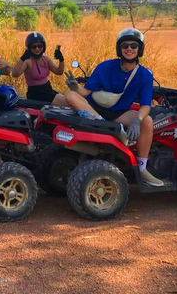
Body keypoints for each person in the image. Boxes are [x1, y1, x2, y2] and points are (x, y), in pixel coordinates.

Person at [64, 28, 164, 187]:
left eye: (133, 45)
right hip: (94, 109)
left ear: (140, 49)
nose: (129, 49)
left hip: (118, 112)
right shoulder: (105, 67)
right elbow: (85, 92)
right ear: (119, 48)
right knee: (69, 95)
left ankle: (142, 168)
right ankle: (109, 128)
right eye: (125, 45)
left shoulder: (145, 74)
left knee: (147, 121)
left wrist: (137, 119)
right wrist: (75, 88)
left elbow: (146, 105)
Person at [11, 31, 67, 106]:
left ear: (44, 47)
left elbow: (59, 72)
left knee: (71, 100)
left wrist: (61, 60)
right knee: (69, 103)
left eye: (40, 46)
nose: (37, 49)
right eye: (33, 47)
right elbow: (15, 74)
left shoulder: (46, 59)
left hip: (47, 90)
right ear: (29, 48)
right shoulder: (28, 61)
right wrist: (22, 58)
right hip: (36, 94)